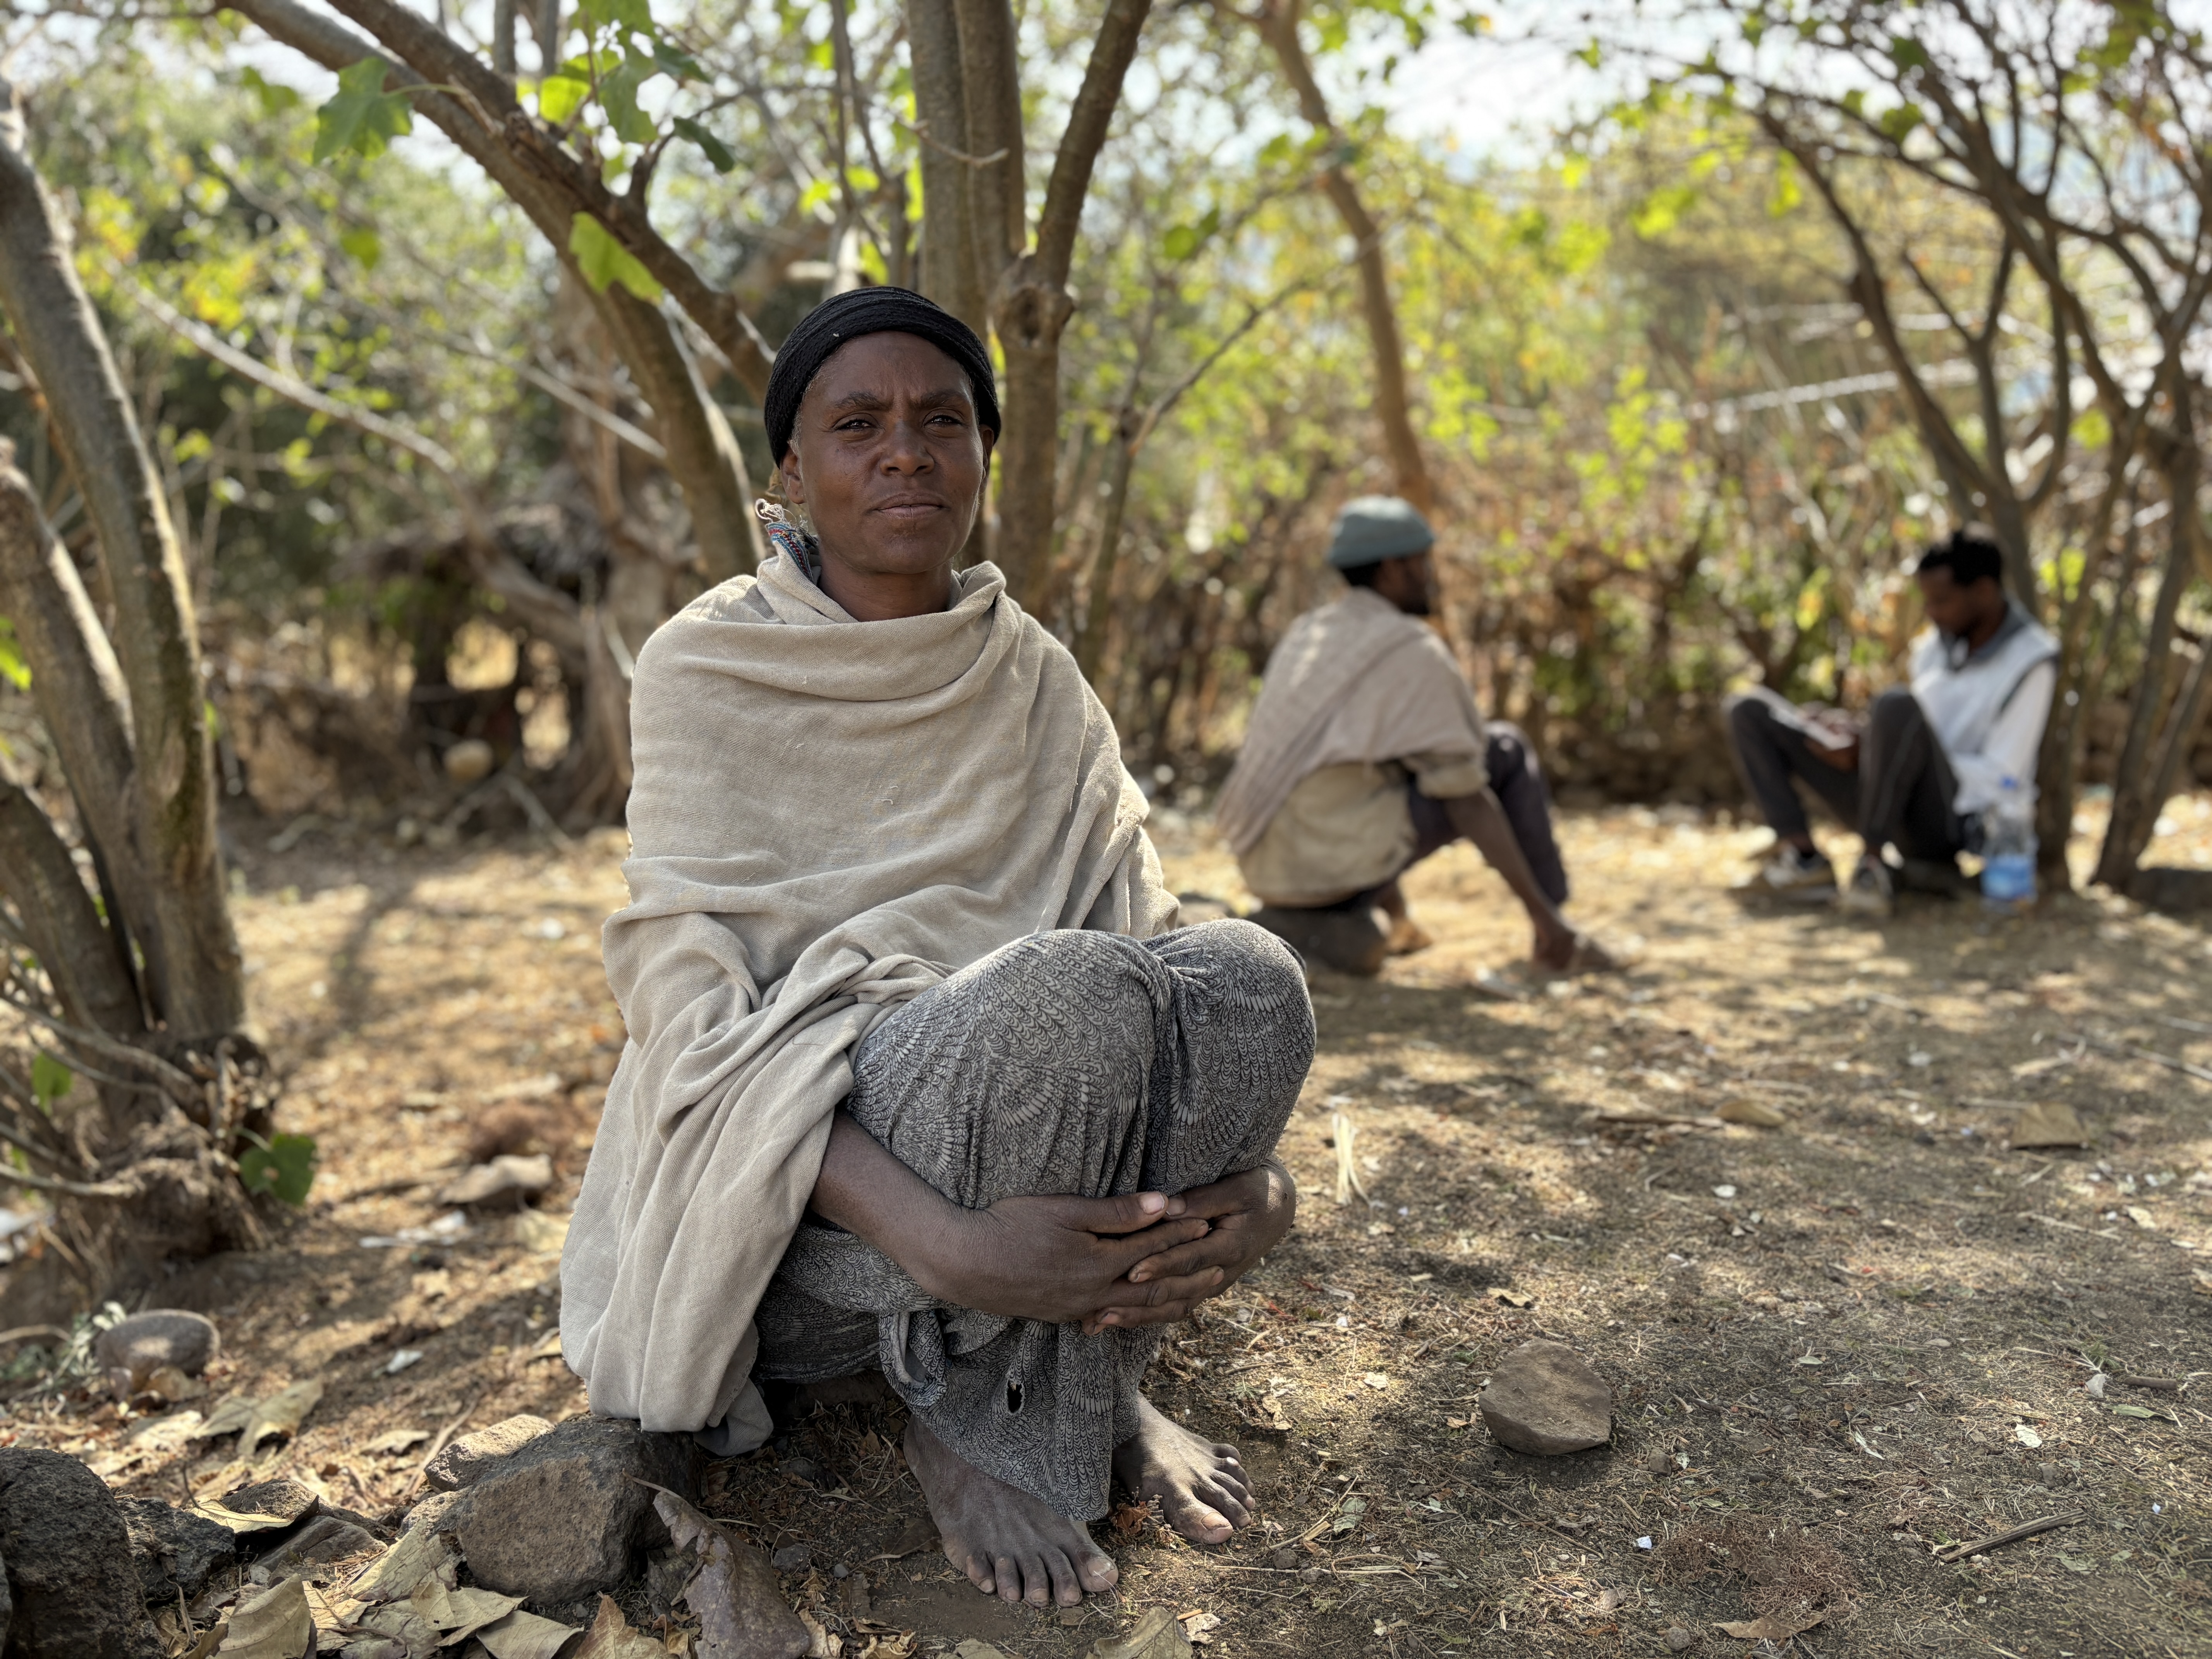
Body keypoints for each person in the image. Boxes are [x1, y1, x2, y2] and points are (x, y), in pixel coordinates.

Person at [560, 288, 1315, 1609]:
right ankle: (959, 1416)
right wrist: (948, 1242)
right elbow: (689, 1030)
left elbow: (1154, 951)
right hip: (815, 1222)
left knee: (1252, 979)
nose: (904, 449)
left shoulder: (1034, 674)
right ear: (793, 471)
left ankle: (1091, 1385)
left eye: (941, 421)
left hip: (1042, 1154)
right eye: (858, 424)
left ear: (980, 456)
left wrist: (1266, 1187)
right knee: (1067, 997)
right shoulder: (706, 664)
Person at [1214, 495, 1602, 977]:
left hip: (1268, 870)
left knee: (1380, 771)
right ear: (1394, 569)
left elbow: (1352, 767)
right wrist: (1546, 915)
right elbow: (1465, 797)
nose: (1432, 576)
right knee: (1500, 751)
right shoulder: (1410, 647)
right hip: (1332, 870)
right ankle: (1557, 931)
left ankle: (1397, 922)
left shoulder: (1308, 634)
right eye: (1424, 563)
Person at [1725, 525, 2057, 917]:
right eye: (1927, 602)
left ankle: (1871, 866)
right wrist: (1858, 739)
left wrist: (1882, 752)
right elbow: (1911, 731)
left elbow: (2003, 776)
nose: (1931, 613)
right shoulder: (1937, 644)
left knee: (1896, 704)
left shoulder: (2032, 661)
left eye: (1942, 601)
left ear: (1983, 591)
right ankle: (1802, 859)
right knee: (1749, 710)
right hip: (1890, 800)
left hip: (1950, 821)